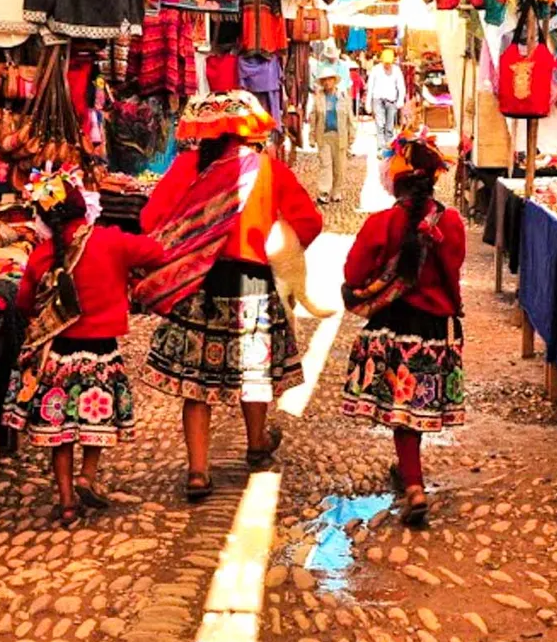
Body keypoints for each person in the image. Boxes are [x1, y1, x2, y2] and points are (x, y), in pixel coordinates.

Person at [135, 91, 324, 502]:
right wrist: (280, 249)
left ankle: (198, 471)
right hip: (252, 281)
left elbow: (150, 219)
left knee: (195, 384)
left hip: (199, 284)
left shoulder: (187, 167)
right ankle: (256, 446)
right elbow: (310, 221)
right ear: (247, 129)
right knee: (254, 372)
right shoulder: (268, 169)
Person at [4, 170, 165, 525]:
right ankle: (86, 476)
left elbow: (24, 303)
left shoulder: (42, 255)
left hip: (57, 356)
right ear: (85, 208)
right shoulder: (111, 241)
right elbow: (156, 253)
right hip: (101, 353)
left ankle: (66, 501)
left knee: (60, 434)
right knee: (97, 419)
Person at [339, 129, 465, 527]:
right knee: (416, 410)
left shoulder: (382, 223)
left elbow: (353, 274)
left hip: (394, 327)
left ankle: (413, 484)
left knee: (402, 412)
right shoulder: (451, 223)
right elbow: (454, 271)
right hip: (434, 328)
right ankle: (410, 475)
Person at [309, 69, 351, 204]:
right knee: (325, 164)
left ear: (334, 81)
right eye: (324, 80)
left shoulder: (343, 97)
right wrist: (311, 136)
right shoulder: (318, 98)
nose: (327, 82)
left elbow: (350, 118)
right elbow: (313, 118)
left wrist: (352, 136)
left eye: (329, 79)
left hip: (340, 135)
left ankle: (336, 191)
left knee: (339, 166)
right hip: (324, 135)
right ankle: (324, 192)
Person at [368, 49, 407, 145]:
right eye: (385, 63)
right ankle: (381, 146)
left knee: (390, 126)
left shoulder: (396, 70)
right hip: (378, 99)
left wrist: (400, 100)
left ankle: (389, 145)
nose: (387, 65)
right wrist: (368, 103)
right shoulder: (375, 70)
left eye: (389, 63)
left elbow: (401, 86)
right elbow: (370, 87)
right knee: (380, 124)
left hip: (391, 100)